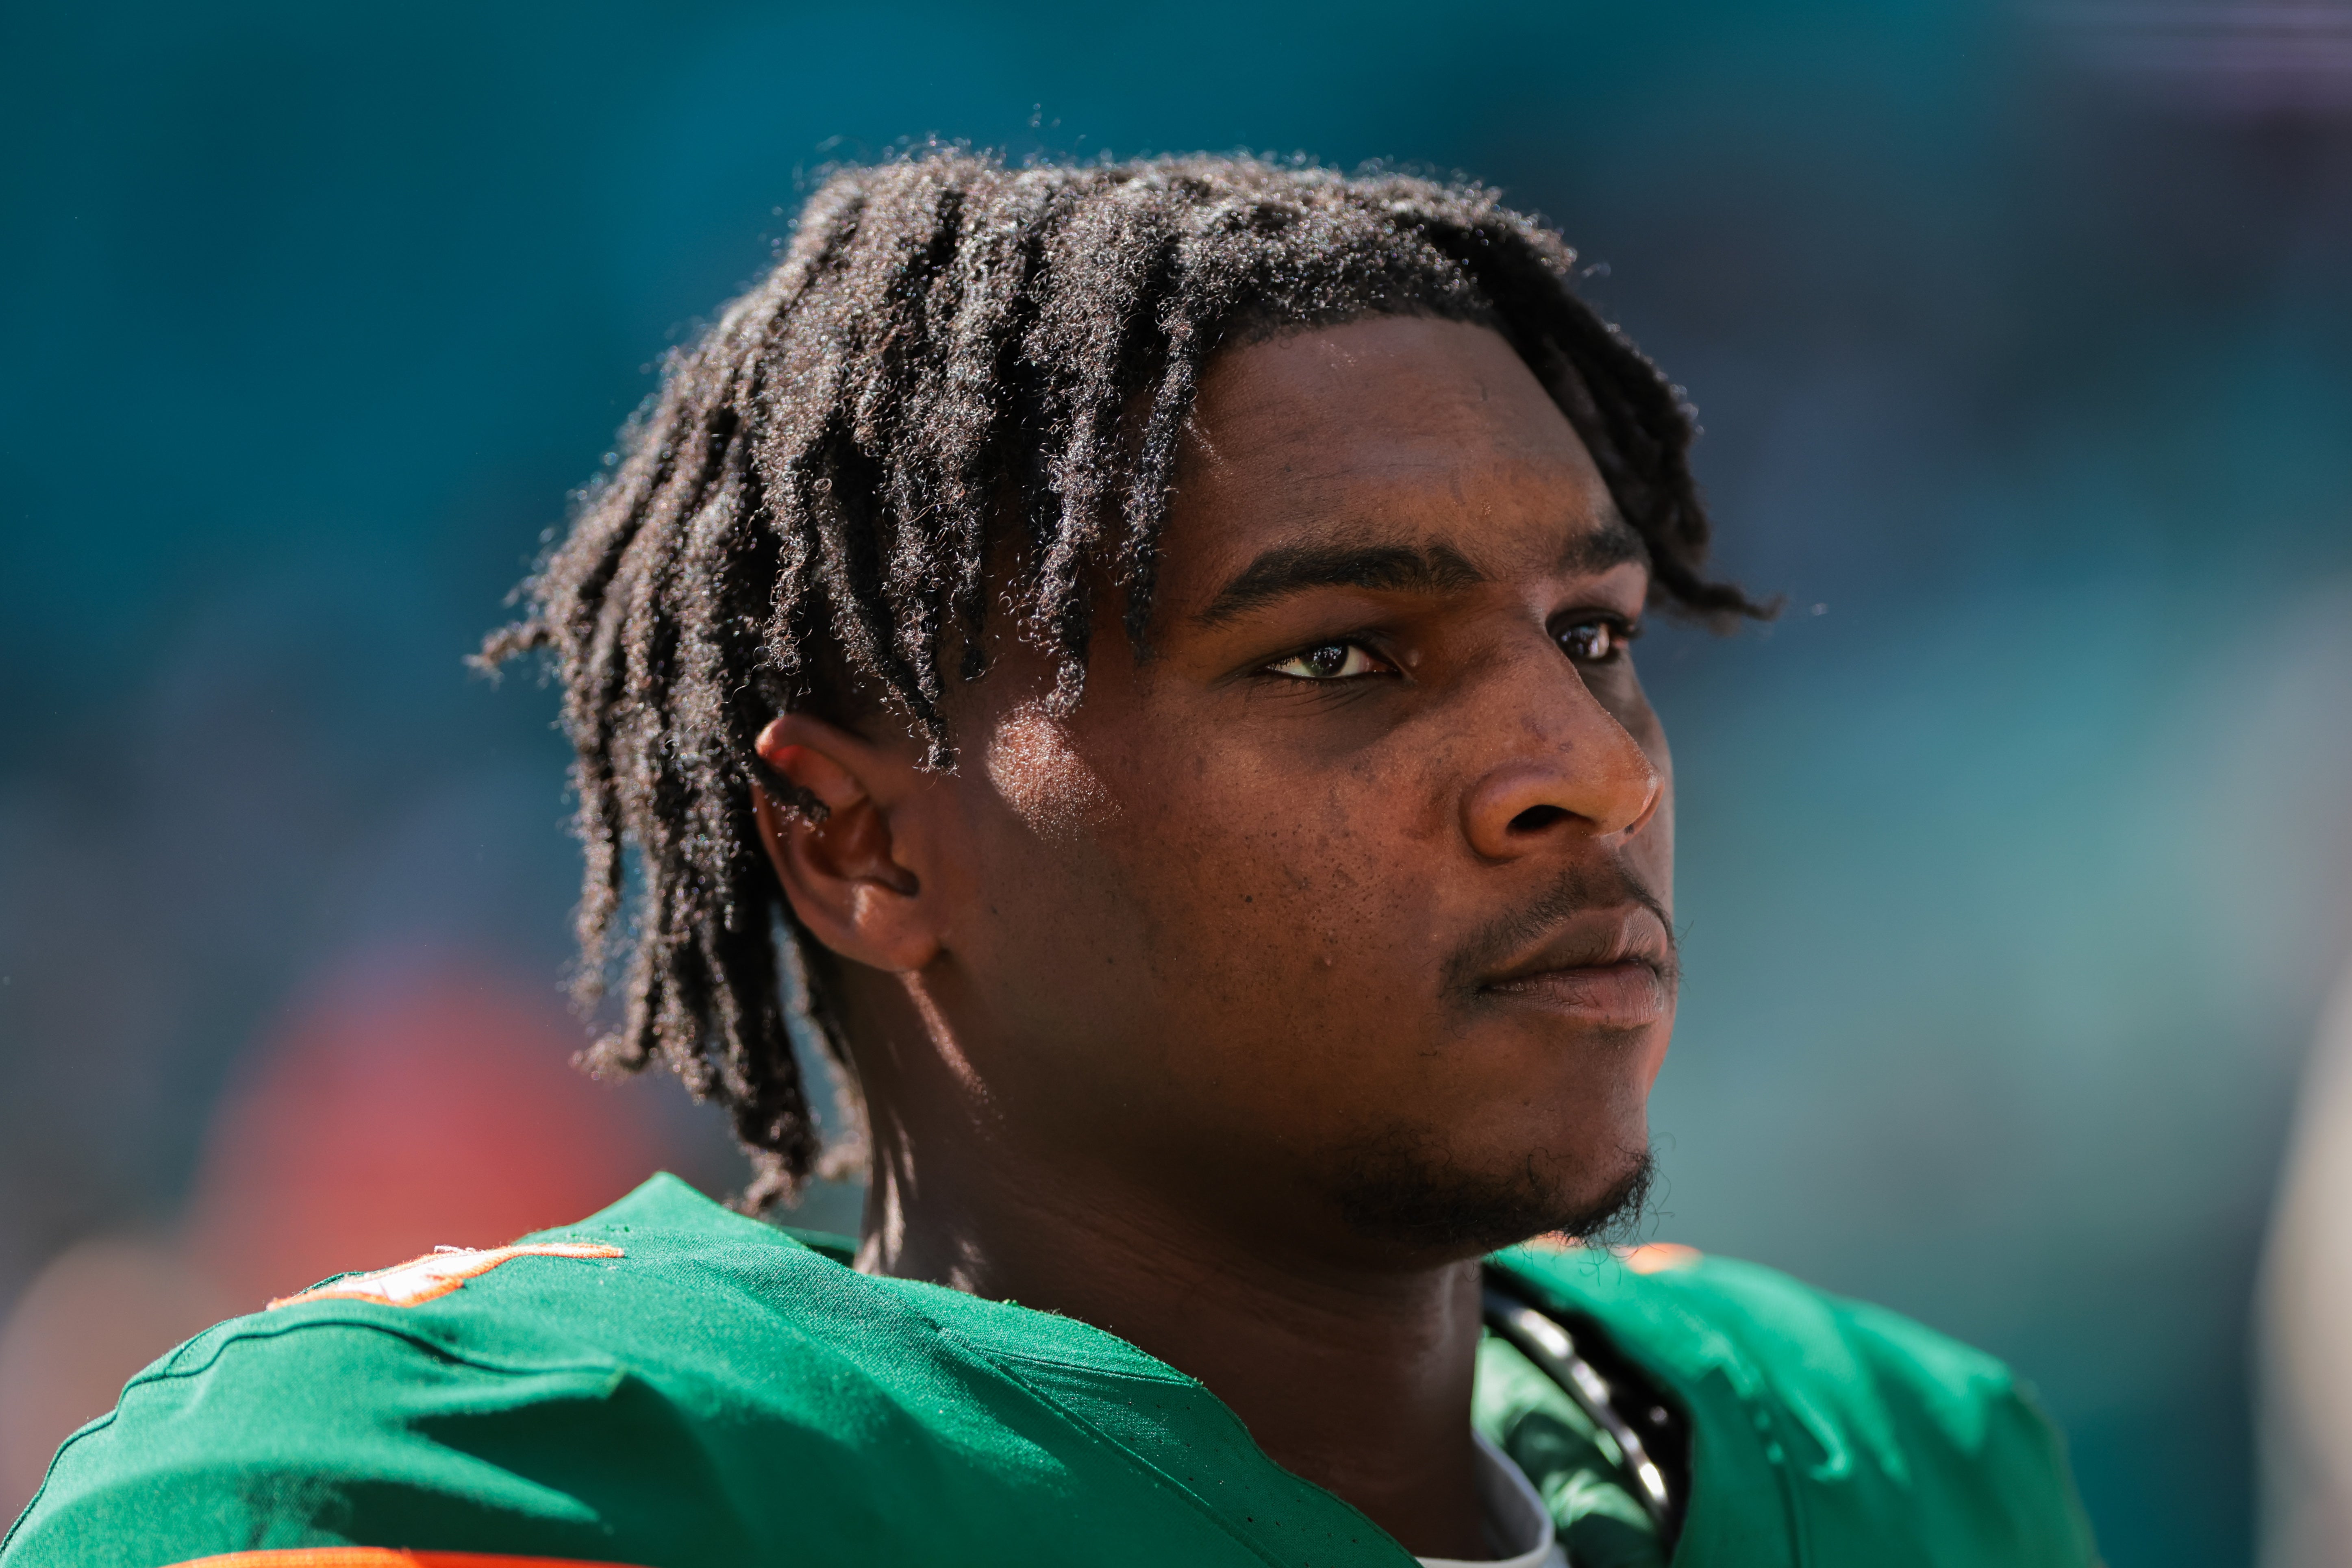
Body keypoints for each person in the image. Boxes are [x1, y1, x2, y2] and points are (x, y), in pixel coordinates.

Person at [1, 152, 2099, 1568]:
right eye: (1340, 655)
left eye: (1594, 637)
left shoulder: (1893, 1459)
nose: (1590, 773)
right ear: (856, 840)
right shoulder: (482, 1494)